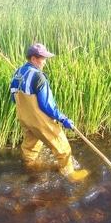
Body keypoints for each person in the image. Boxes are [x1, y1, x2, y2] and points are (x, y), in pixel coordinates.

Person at [10, 43, 89, 183]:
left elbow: (13, 99)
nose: (45, 62)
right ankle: (70, 174)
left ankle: (29, 167)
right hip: (39, 120)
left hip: (24, 118)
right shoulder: (38, 76)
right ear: (33, 59)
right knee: (62, 145)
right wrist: (63, 118)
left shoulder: (17, 73)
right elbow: (47, 105)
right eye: (43, 59)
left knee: (30, 146)